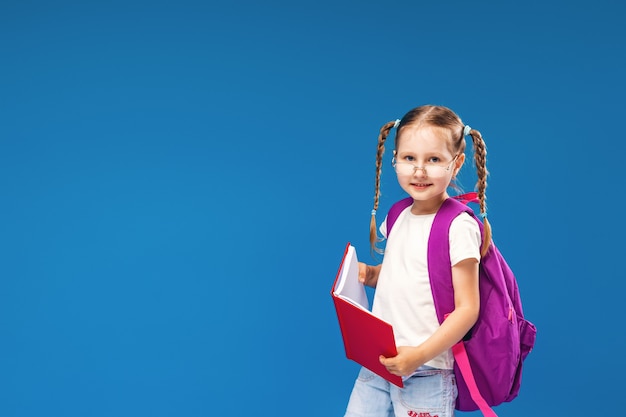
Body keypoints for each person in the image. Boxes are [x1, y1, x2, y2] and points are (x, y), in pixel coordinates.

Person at [344, 105, 492, 417]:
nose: (419, 170)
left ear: (457, 163)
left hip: (426, 370)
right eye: (410, 158)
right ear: (395, 157)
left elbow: (468, 308)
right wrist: (371, 274)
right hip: (379, 362)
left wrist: (419, 355)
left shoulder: (458, 226)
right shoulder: (397, 214)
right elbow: (409, 272)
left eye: (434, 159)